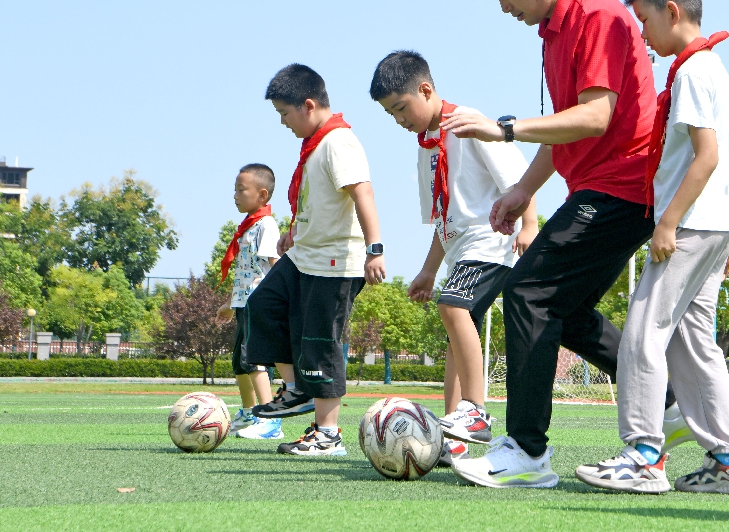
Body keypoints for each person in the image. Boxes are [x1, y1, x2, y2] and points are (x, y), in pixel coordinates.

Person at [445, 0, 685, 489]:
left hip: (623, 188)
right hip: (598, 187)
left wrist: (503, 129)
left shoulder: (595, 13)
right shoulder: (553, 31)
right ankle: (673, 406)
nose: (502, 6)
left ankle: (526, 453)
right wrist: (524, 189)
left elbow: (596, 116)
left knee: (527, 292)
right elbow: (568, 132)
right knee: (566, 312)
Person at [574, 0, 729, 495]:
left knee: (642, 333)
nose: (644, 35)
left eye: (646, 21)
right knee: (695, 344)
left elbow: (708, 156)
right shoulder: (715, 69)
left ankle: (644, 456)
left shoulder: (694, 71)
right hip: (713, 222)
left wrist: (669, 221)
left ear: (672, 12)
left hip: (691, 222)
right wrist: (727, 228)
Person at [369, 49, 538, 467]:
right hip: (461, 248)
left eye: (401, 108)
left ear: (425, 90)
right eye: (390, 114)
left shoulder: (467, 123)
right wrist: (428, 270)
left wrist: (530, 224)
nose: (399, 120)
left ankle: (476, 413)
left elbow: (516, 179)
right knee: (455, 328)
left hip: (492, 237)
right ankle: (450, 434)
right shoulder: (427, 146)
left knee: (452, 306)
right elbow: (444, 216)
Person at [247, 63, 386, 457]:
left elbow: (362, 193)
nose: (283, 123)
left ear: (307, 105)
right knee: (263, 306)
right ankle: (296, 390)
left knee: (321, 342)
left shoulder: (339, 141)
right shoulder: (315, 145)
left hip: (335, 261)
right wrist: (295, 231)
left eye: (284, 114)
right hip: (305, 253)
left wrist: (375, 248)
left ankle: (327, 435)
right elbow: (319, 200)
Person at [216, 163, 285, 440]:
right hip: (245, 304)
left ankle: (270, 420)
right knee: (240, 362)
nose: (235, 195)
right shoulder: (247, 227)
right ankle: (248, 412)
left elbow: (275, 265)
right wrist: (230, 304)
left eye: (241, 190)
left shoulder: (266, 225)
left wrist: (281, 299)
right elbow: (246, 273)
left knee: (255, 360)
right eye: (235, 189)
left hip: (260, 304)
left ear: (262, 195)